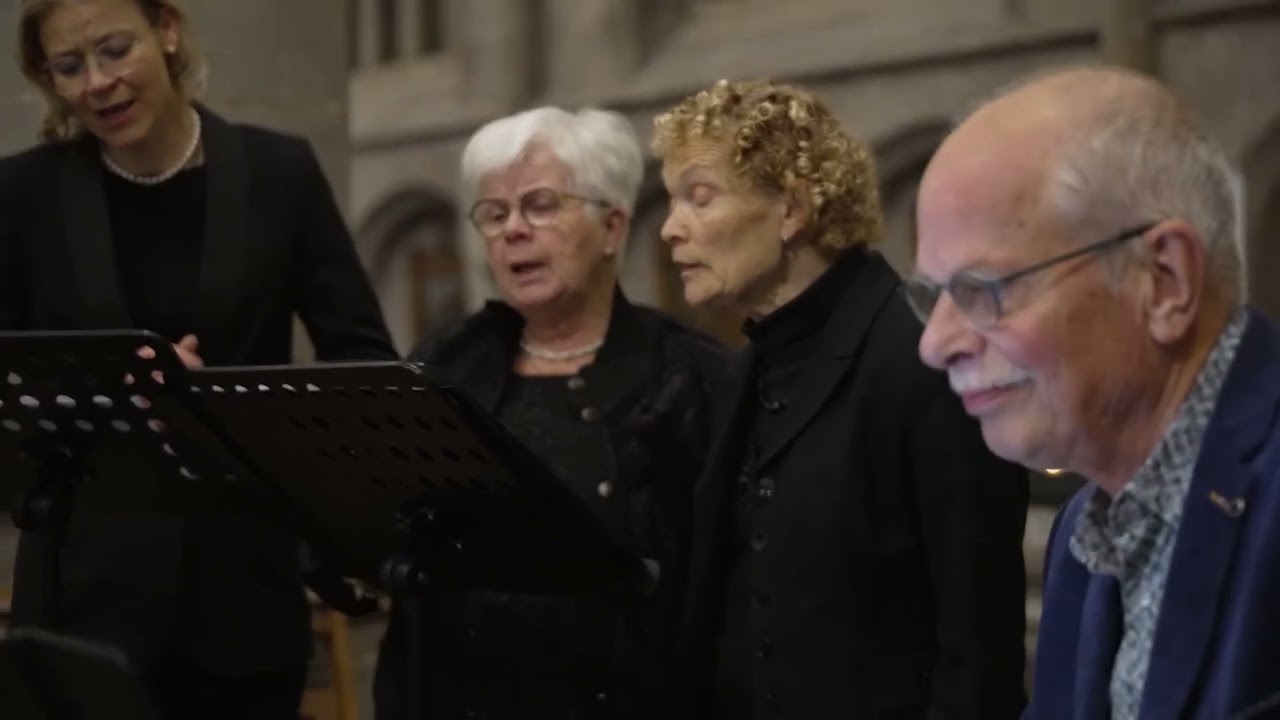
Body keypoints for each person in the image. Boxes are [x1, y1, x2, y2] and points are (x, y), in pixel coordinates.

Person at [0, 0, 396, 717]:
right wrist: (109, 394)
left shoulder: (281, 172)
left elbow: (362, 366)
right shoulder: (22, 195)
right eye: (69, 66)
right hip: (83, 599)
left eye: (115, 49)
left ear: (169, 31)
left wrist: (227, 402)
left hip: (243, 598)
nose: (97, 82)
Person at [651, 78, 1030, 719]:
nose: (668, 230)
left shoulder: (924, 357)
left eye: (699, 197)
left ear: (793, 210)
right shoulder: (747, 369)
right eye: (671, 201)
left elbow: (978, 646)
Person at [909, 65, 1280, 719]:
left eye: (984, 289)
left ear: (1163, 281)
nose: (935, 344)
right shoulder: (1084, 530)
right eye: (934, 296)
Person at [372, 106, 729, 719]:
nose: (513, 230)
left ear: (612, 227)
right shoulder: (444, 362)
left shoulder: (694, 376)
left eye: (539, 205)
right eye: (494, 213)